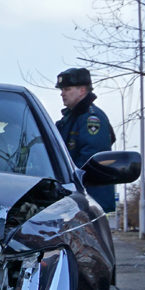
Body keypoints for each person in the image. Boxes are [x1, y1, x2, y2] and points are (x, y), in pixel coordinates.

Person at [54, 68, 116, 214]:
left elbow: (91, 160)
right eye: (62, 89)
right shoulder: (70, 119)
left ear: (82, 91)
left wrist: (67, 181)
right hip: (78, 199)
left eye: (67, 89)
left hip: (90, 201)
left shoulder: (91, 119)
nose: (62, 93)